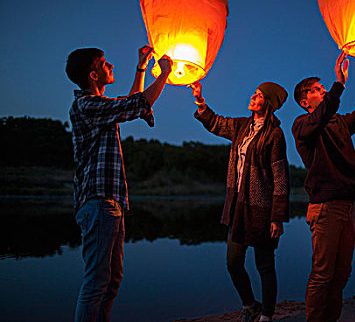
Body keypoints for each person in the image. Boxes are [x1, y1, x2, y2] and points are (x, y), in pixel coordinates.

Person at [66, 45, 172, 322]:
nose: (110, 66)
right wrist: (164, 74)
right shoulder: (86, 105)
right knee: (97, 281)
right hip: (98, 202)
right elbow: (136, 104)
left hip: (110, 203)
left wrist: (142, 67)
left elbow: (129, 102)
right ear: (93, 74)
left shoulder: (99, 105)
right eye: (104, 63)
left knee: (112, 280)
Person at [190, 80, 290, 322]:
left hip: (262, 209)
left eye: (258, 95)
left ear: (268, 102)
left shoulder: (275, 135)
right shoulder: (241, 126)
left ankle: (266, 315)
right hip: (238, 206)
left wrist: (277, 217)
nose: (252, 98)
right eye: (254, 94)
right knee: (233, 262)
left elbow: (281, 176)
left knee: (264, 265)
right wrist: (199, 100)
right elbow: (215, 123)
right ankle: (250, 305)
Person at [291, 51, 355, 322]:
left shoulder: (339, 122)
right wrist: (339, 84)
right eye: (318, 90)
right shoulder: (302, 125)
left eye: (324, 88)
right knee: (322, 273)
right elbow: (319, 118)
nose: (324, 90)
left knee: (342, 274)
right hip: (325, 208)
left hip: (346, 207)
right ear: (306, 102)